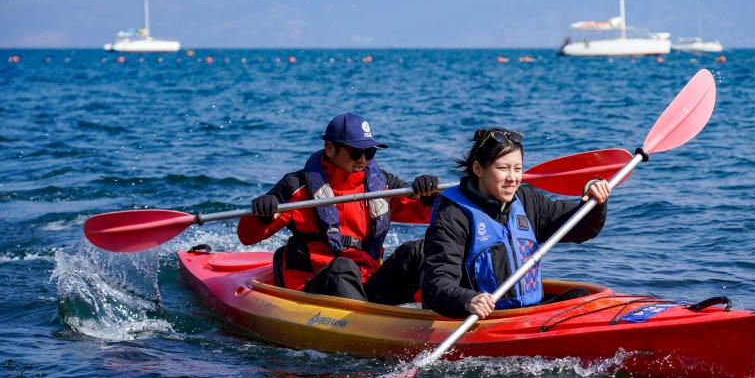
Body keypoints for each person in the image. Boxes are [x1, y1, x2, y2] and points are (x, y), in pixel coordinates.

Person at [237, 112, 439, 304]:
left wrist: (429, 197)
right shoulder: (296, 186)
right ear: (330, 149)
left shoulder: (382, 183)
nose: (363, 160)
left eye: (369, 152)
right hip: (315, 286)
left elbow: (424, 214)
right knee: (343, 267)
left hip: (366, 285)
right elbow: (247, 236)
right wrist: (262, 216)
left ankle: (442, 312)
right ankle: (363, 330)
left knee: (419, 251)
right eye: (355, 152)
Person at [421, 127, 611, 319]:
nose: (512, 178)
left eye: (517, 168)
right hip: (484, 318)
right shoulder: (453, 214)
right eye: (503, 168)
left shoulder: (527, 201)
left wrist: (594, 200)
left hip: (530, 313)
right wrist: (468, 300)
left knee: (580, 297)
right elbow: (435, 282)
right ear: (478, 169)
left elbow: (581, 228)